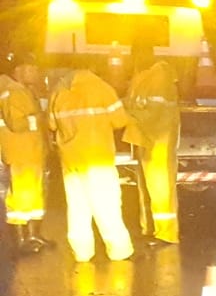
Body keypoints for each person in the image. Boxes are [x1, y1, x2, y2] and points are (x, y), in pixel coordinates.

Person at [49, 68, 134, 262]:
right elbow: (120, 120)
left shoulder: (58, 92)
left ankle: (82, 252)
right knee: (107, 204)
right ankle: (119, 251)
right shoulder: (101, 88)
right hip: (98, 157)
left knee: (78, 206)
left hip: (70, 159)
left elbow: (52, 125)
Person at [124, 46, 181, 245]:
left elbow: (154, 111)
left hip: (159, 140)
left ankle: (166, 234)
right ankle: (149, 228)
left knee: (161, 188)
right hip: (145, 138)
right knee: (147, 187)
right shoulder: (142, 77)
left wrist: (126, 116)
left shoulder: (160, 76)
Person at [0, 52, 52, 253]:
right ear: (19, 71)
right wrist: (38, 117)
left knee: (33, 195)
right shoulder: (13, 92)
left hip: (29, 150)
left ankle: (33, 236)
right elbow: (17, 123)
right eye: (32, 69)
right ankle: (22, 240)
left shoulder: (19, 90)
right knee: (22, 197)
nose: (36, 73)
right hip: (22, 150)